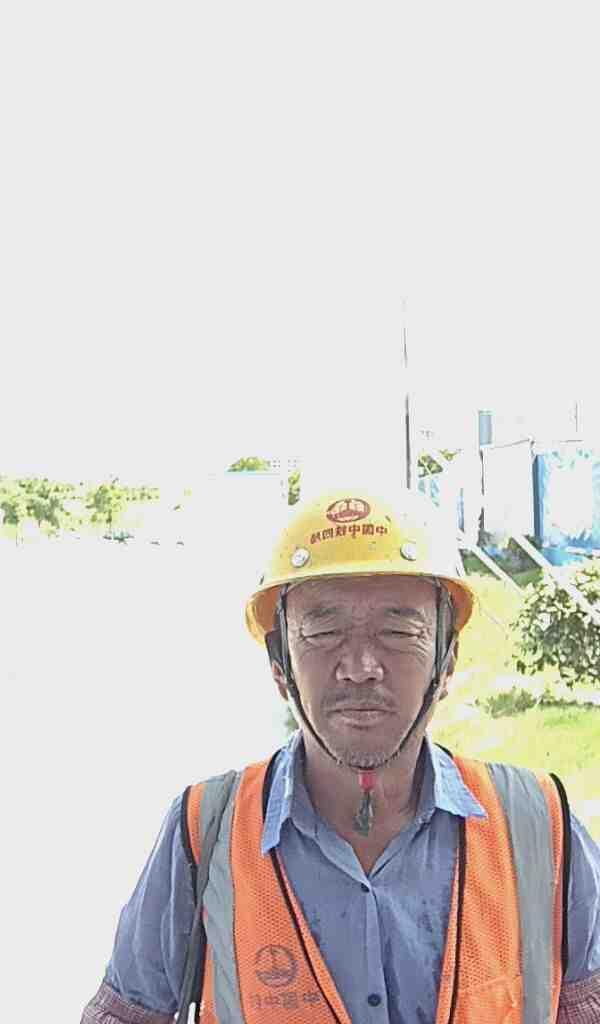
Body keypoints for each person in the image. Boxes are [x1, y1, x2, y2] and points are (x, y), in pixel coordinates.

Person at [81, 488, 600, 1023]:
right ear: (280, 664)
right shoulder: (205, 831)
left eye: (399, 631)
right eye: (323, 631)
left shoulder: (539, 826)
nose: (359, 667)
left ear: (446, 660)